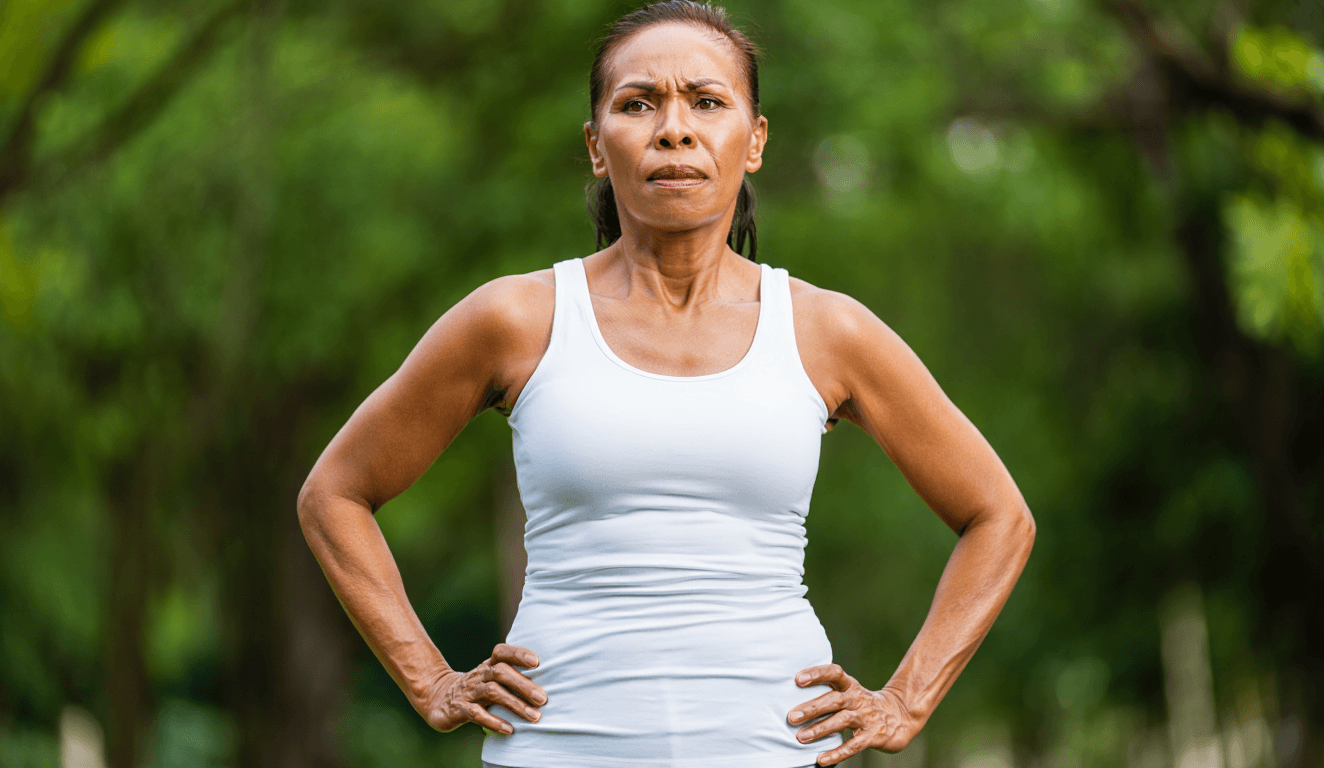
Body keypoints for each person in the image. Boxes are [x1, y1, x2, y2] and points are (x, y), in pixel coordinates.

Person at [296, 2, 1037, 766]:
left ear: (755, 140)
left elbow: (998, 517)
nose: (674, 129)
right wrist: (430, 682)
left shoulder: (827, 331)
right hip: (561, 751)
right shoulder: (516, 320)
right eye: (638, 103)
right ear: (596, 144)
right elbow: (335, 494)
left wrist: (906, 699)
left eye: (707, 102)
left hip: (771, 749)